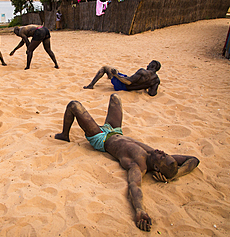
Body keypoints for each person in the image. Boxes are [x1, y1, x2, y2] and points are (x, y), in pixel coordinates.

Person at [54, 93, 200, 231]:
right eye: (165, 154)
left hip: (101, 138)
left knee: (74, 105)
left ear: (156, 167)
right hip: (115, 131)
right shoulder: (155, 155)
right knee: (115, 97)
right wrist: (177, 174)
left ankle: (64, 135)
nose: (162, 152)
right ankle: (67, 133)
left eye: (162, 157)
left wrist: (140, 210)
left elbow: (135, 186)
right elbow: (194, 159)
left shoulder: (139, 165)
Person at [83, 60, 161, 96]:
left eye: (149, 64)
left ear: (153, 66)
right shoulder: (156, 80)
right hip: (129, 87)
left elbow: (128, 82)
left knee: (105, 68)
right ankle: (111, 76)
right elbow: (152, 93)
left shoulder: (143, 72)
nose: (147, 66)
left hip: (122, 86)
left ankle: (91, 85)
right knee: (116, 73)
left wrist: (116, 75)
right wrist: (145, 86)